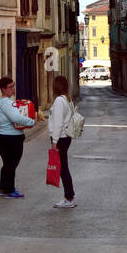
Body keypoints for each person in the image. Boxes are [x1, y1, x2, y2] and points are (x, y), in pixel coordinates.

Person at [0, 76, 38, 198]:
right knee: (12, 163)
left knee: (7, 163)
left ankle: (4, 188)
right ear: (3, 89)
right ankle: (9, 190)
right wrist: (31, 121)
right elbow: (16, 118)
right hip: (11, 137)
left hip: (1, 136)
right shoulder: (7, 103)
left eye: (13, 86)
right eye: (10, 87)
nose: (13, 89)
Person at [48, 75, 77, 208]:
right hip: (65, 137)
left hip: (60, 138)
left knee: (63, 168)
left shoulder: (59, 101)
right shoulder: (67, 99)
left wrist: (54, 141)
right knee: (63, 167)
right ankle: (69, 196)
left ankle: (69, 198)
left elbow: (58, 122)